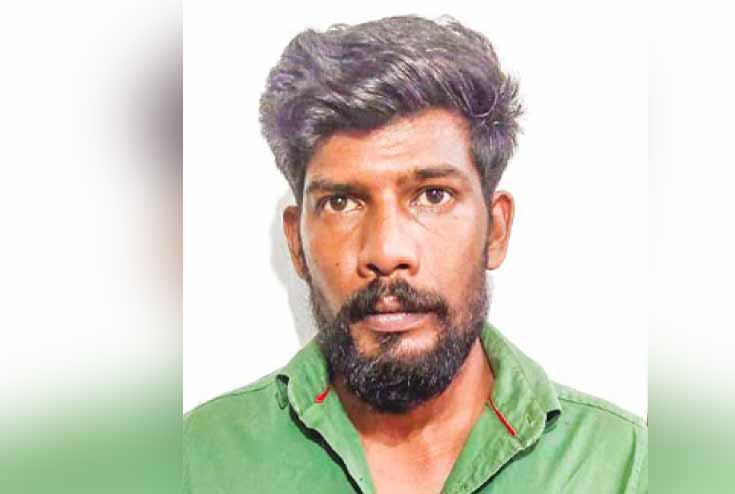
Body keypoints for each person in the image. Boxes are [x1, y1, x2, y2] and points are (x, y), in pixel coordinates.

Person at [183, 15, 647, 494]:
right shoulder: (194, 462)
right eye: (341, 202)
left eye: (433, 196)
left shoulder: (622, 467)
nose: (387, 252)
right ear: (296, 244)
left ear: (496, 230)